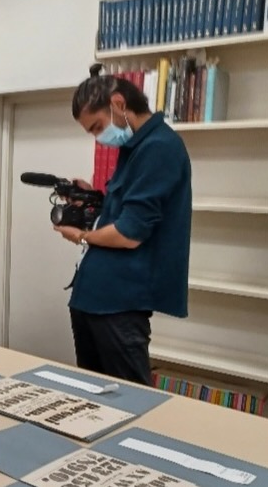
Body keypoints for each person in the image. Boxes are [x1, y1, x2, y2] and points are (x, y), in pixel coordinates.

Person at [56, 63, 192, 386]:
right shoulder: (133, 149)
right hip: (94, 298)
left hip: (120, 303)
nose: (99, 137)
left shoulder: (159, 147)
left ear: (118, 104)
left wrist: (82, 236)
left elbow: (130, 233)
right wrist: (95, 200)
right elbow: (127, 211)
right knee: (93, 400)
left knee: (129, 404)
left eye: (97, 127)